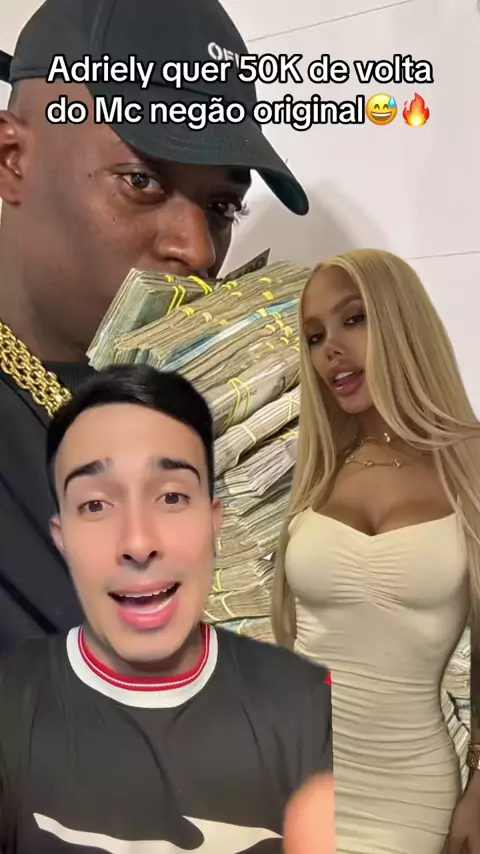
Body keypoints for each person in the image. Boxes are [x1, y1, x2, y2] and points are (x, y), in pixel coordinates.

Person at [0, 0, 309, 652]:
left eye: (222, 204)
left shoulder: (235, 410)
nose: (197, 250)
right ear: (11, 158)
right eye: (141, 180)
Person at [0, 362, 332, 853]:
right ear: (61, 537)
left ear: (213, 521)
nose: (138, 543)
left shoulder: (304, 706)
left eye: (172, 497)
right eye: (96, 506)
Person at [271, 248, 480, 854]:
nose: (330, 349)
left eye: (353, 319)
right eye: (315, 336)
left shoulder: (470, 466)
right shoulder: (320, 471)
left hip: (409, 795)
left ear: (400, 319)